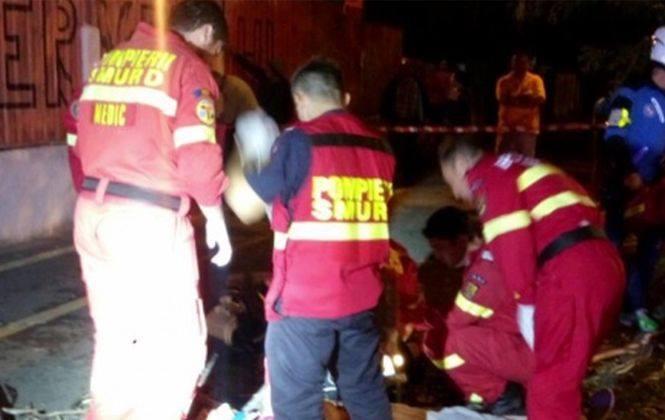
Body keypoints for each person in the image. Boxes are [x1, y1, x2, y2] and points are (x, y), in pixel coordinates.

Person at [71, 1, 231, 418]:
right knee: (175, 348)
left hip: (93, 212)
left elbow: (78, 137)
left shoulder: (112, 61)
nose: (214, 60)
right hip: (147, 221)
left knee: (117, 343)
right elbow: (197, 159)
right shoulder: (187, 68)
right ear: (207, 34)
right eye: (216, 50)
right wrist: (215, 216)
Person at [243, 57, 395, 419]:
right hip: (361, 299)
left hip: (305, 303)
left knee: (297, 403)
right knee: (365, 390)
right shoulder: (380, 147)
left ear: (300, 98)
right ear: (344, 97)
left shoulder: (299, 140)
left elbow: (264, 189)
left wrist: (252, 151)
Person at [438, 138, 624, 419]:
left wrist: (525, 303)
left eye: (451, 181)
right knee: (559, 373)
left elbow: (512, 247)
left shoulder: (490, 177)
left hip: (570, 272)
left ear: (461, 164)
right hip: (602, 264)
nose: (455, 193)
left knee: (548, 390)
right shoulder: (522, 167)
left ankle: (516, 406)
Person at [602, 26, 665, 332]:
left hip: (655, 188)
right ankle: (628, 308)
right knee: (619, 248)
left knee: (650, 248)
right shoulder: (630, 94)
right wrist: (628, 171)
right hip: (624, 185)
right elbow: (615, 133)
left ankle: (635, 306)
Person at [422, 240, 533, 415]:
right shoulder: (482, 261)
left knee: (455, 343)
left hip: (528, 352)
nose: (438, 255)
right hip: (518, 344)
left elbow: (459, 317)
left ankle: (497, 400)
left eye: (440, 247)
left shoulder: (487, 266)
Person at [418, 206, 472, 312]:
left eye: (440, 248)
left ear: (461, 241)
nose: (437, 255)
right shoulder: (429, 271)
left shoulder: (480, 271)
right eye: (434, 248)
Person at [495, 52, 546, 157]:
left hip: (528, 129)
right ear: (512, 64)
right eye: (516, 62)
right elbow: (503, 100)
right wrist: (526, 99)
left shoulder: (535, 80)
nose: (519, 65)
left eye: (522, 62)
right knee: (504, 161)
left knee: (525, 162)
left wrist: (516, 99)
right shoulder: (504, 81)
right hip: (507, 129)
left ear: (528, 64)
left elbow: (540, 98)